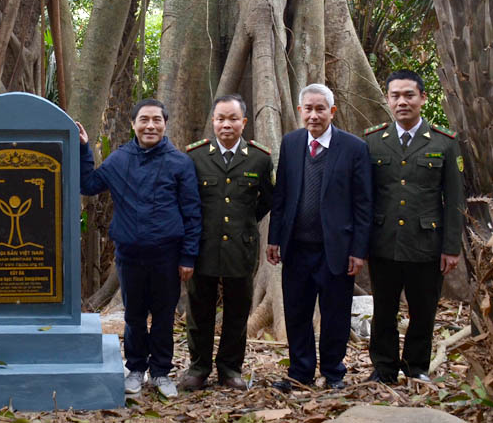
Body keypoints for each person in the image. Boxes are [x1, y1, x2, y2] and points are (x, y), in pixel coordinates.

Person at [76, 98, 201, 399]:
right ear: (134, 124)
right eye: (144, 119)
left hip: (167, 256)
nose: (150, 125)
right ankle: (134, 369)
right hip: (130, 255)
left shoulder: (180, 163)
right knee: (133, 316)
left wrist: (188, 256)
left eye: (156, 120)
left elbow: (193, 213)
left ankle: (160, 372)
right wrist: (83, 148)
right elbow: (89, 184)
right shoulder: (119, 160)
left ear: (165, 124)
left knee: (163, 316)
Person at [266, 84, 372, 391]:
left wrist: (359, 250)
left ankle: (333, 372)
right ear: (300, 111)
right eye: (308, 109)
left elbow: (363, 203)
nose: (314, 115)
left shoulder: (354, 148)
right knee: (297, 312)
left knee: (335, 313)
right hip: (296, 248)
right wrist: (274, 239)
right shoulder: (291, 143)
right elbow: (282, 195)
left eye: (320, 109)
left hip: (335, 249)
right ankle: (299, 372)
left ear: (332, 112)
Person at [363, 70, 464, 384]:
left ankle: (417, 367)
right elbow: (364, 197)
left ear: (423, 98)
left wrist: (451, 247)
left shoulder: (444, 143)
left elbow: (455, 199)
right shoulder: (373, 141)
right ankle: (384, 368)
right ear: (388, 100)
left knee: (423, 312)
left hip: (426, 243)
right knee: (384, 311)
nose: (402, 101)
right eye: (395, 95)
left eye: (409, 95)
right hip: (384, 241)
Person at [181, 94, 273, 391]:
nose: (226, 124)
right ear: (213, 121)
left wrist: (243, 223)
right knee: (200, 310)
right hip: (203, 246)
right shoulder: (195, 156)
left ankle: (230, 369)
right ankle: (198, 368)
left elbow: (266, 202)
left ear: (244, 122)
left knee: (237, 311)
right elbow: (187, 202)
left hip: (240, 246)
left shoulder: (259, 158)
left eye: (233, 119)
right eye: (221, 118)